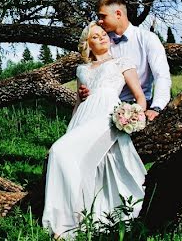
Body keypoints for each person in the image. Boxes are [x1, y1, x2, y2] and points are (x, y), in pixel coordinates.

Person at [41, 22, 148, 238]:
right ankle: (69, 223)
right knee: (71, 159)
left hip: (107, 117)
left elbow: (140, 97)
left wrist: (134, 115)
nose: (102, 38)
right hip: (83, 117)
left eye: (103, 34)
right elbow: (79, 102)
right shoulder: (82, 69)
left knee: (60, 152)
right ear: (87, 45)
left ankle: (71, 222)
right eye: (95, 37)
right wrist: (71, 123)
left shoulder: (122, 62)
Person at [81, 0, 172, 121]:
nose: (99, 21)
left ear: (118, 14)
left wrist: (157, 107)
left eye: (103, 16)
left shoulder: (147, 38)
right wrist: (87, 91)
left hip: (140, 105)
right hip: (106, 108)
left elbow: (161, 75)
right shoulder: (103, 43)